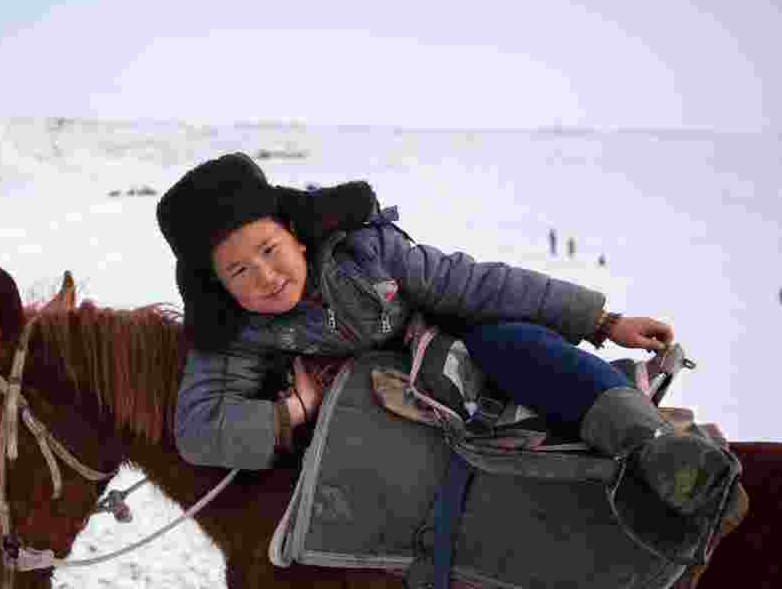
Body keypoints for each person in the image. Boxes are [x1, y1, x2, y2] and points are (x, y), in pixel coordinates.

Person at [155, 152, 736, 519]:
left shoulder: (366, 254)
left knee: (510, 343)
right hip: (371, 405)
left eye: (268, 250)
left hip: (453, 347)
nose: (265, 276)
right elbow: (199, 429)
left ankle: (655, 448)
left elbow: (479, 283)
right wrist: (291, 411)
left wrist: (602, 321)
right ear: (219, 286)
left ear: (296, 237)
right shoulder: (238, 330)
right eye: (239, 271)